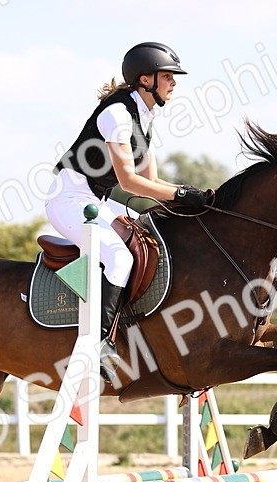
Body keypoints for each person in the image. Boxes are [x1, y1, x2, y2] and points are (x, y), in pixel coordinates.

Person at [48, 41, 213, 381]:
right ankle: (98, 343)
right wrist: (181, 193)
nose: (174, 83)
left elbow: (152, 183)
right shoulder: (118, 114)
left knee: (147, 240)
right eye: (168, 76)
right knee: (119, 258)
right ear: (145, 79)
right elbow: (131, 182)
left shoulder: (146, 117)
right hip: (70, 199)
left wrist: (194, 201)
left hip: (98, 199)